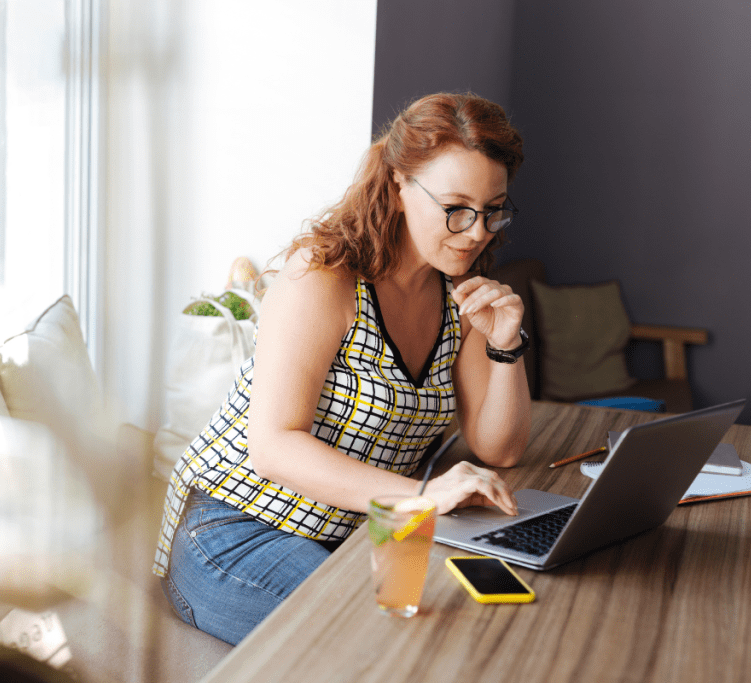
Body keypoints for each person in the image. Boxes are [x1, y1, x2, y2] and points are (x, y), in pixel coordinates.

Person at [153, 92, 531, 645]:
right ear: (400, 184)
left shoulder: (460, 296)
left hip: (354, 532)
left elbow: (501, 448)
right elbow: (274, 445)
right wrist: (421, 498)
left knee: (480, 624)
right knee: (383, 640)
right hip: (234, 530)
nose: (476, 231)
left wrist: (505, 345)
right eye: (456, 207)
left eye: (493, 209)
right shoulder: (324, 274)